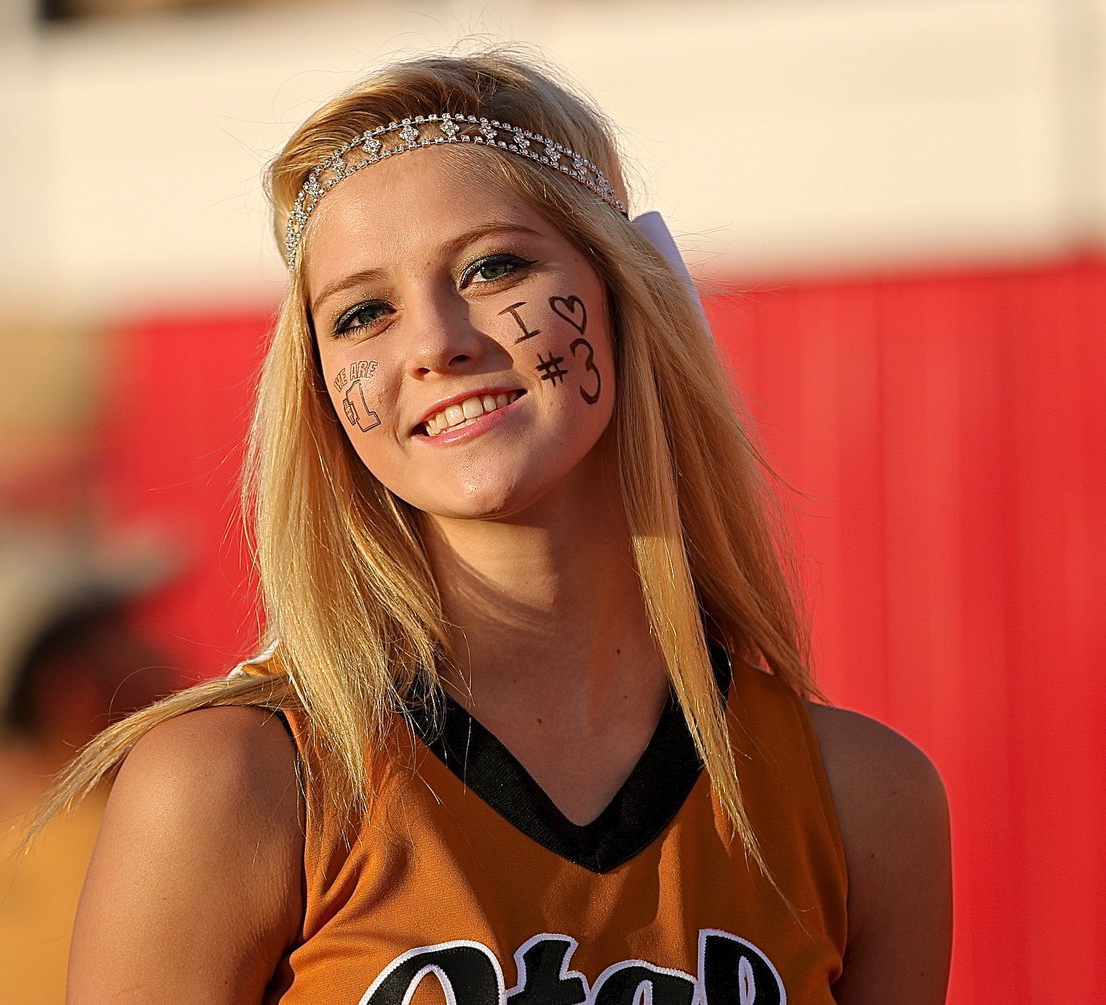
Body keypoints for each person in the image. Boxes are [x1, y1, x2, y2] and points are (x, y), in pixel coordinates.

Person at [46, 48, 952, 1004]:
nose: (436, 342)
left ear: (621, 292)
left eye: (492, 265)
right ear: (317, 387)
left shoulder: (862, 802)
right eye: (362, 314)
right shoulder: (238, 785)